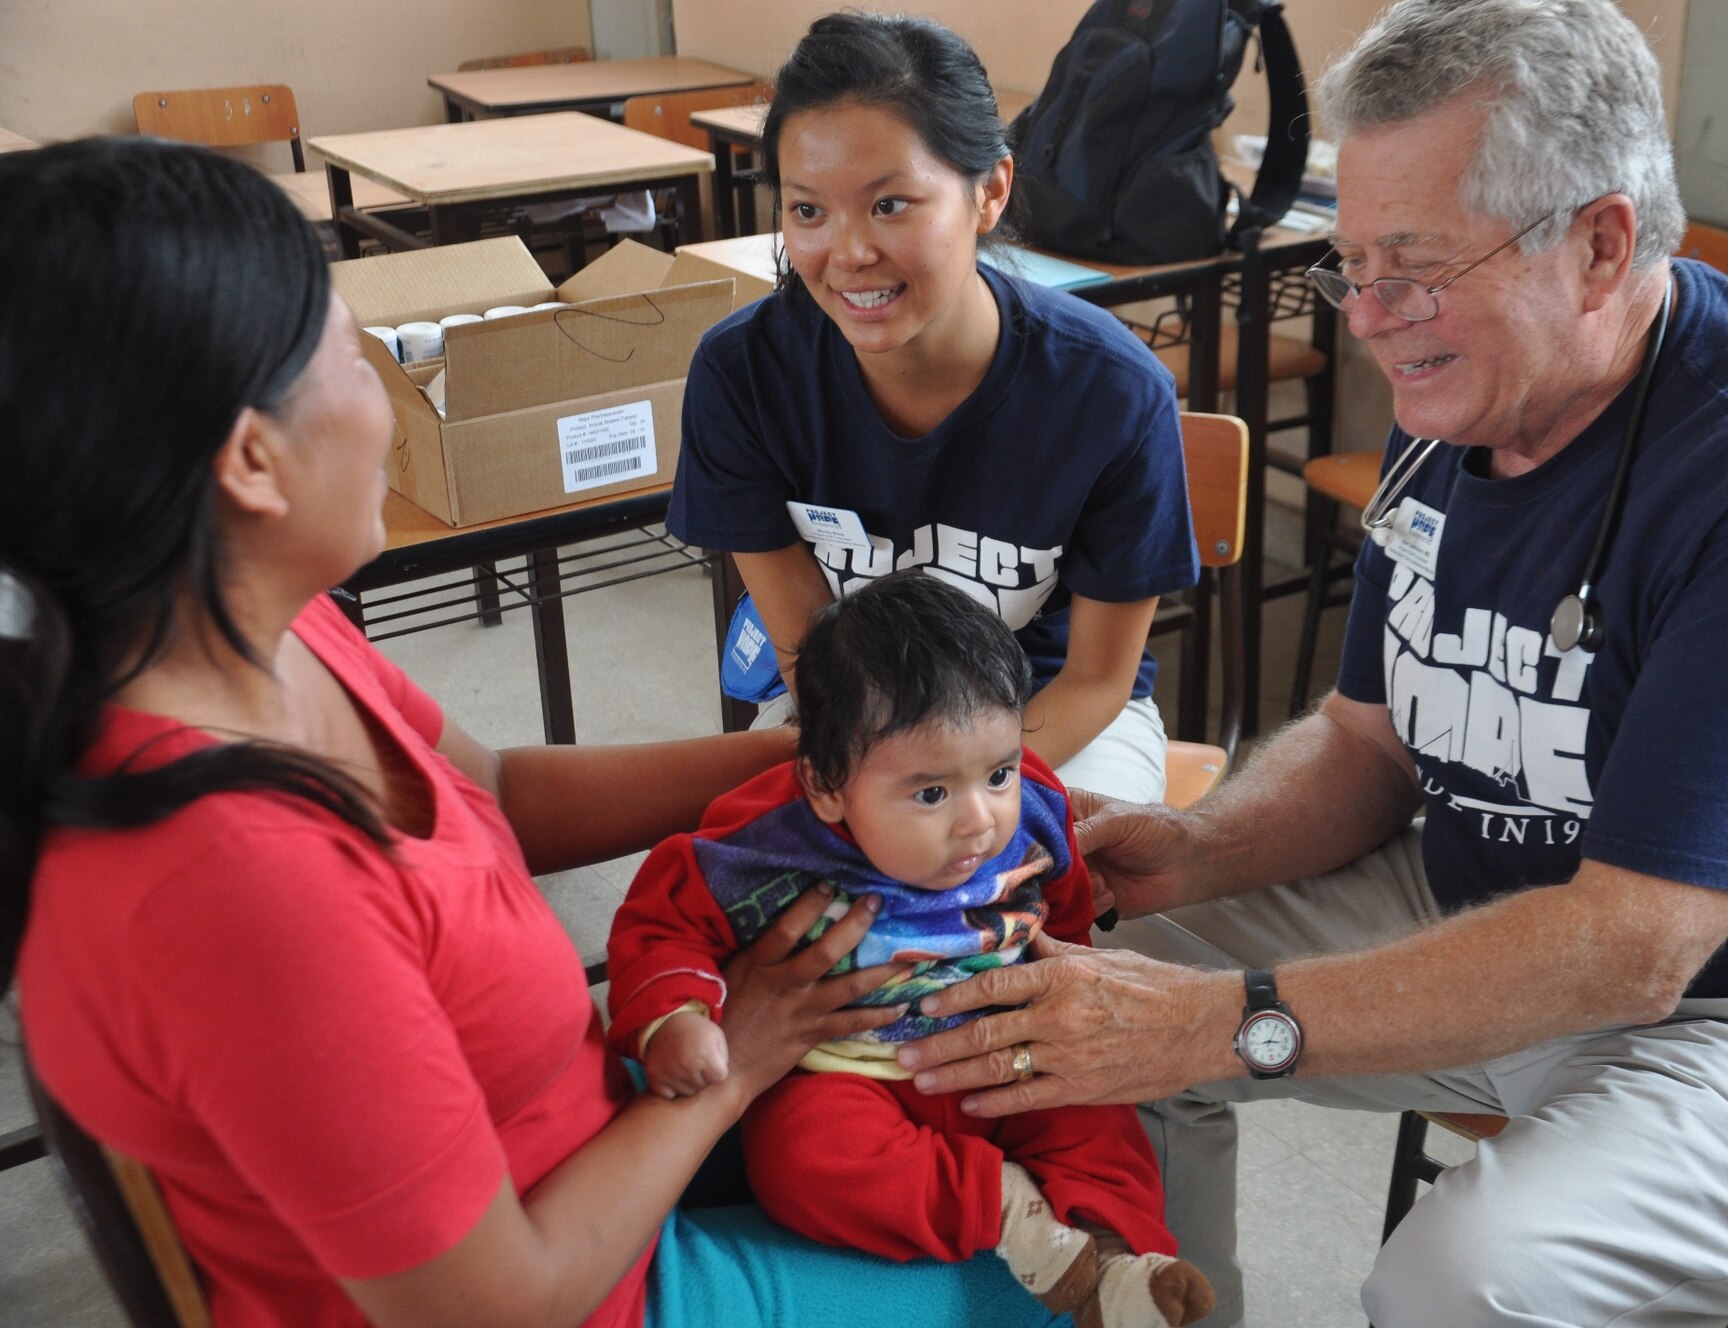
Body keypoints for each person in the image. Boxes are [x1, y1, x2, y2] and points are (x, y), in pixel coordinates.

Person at [892, 2, 1728, 1326]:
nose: (1369, 321)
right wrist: (1201, 846)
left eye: (1410, 270)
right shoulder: (1470, 399)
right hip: (1505, 891)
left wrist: (1213, 1017)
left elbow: (1634, 948)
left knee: (1460, 1282)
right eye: (1348, 267)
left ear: (1599, 244)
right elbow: (1371, 746)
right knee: (1074, 991)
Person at [0, 136, 1070, 1328]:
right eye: (352, 358)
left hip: (592, 1145)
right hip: (587, 1286)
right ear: (251, 459)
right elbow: (497, 1303)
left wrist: (835, 770)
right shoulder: (233, 885)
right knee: (1061, 1272)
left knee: (1005, 1108)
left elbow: (495, 789)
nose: (386, 404)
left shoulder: (261, 631)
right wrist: (746, 1056)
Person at [606, 570, 1213, 1328]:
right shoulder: (760, 842)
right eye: (930, 793)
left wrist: (1067, 985)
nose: (978, 821)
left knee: (1104, 1124)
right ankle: (1008, 1215)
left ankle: (1118, 1265)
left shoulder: (1038, 807)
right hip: (849, 1080)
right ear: (827, 785)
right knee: (801, 1162)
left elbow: (1064, 907)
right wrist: (678, 1018)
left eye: (998, 773)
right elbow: (661, 924)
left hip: (1015, 1054)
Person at [666, 11, 1198, 806]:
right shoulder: (744, 372)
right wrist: (890, 781)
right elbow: (808, 649)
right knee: (767, 892)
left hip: (1051, 713)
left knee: (1028, 902)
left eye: (890, 205)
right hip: (849, 705)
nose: (847, 254)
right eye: (808, 210)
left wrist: (961, 793)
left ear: (990, 192)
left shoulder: (1109, 391)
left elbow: (1096, 677)